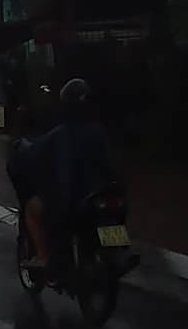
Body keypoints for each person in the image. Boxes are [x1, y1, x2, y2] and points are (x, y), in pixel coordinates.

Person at [12, 78, 116, 269]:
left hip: (71, 198)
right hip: (102, 192)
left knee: (32, 209)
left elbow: (33, 154)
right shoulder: (98, 131)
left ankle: (43, 257)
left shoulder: (60, 134)